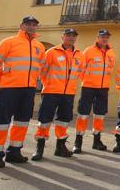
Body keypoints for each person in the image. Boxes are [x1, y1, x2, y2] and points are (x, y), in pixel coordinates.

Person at [0, 16, 46, 168]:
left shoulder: (39, 46)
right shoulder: (9, 42)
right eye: (28, 24)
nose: (31, 27)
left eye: (34, 25)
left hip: (29, 90)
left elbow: (42, 68)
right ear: (21, 26)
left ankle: (14, 152)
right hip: (9, 89)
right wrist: (2, 81)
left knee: (22, 122)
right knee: (1, 122)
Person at [32, 28, 85, 161]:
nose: (71, 38)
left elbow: (80, 72)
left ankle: (60, 147)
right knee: (45, 120)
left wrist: (71, 86)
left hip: (68, 93)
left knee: (64, 121)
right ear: (63, 37)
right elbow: (42, 71)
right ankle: (40, 148)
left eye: (73, 36)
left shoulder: (79, 55)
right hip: (51, 92)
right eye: (68, 35)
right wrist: (48, 84)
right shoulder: (51, 52)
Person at [73, 29, 116, 153]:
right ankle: (78, 141)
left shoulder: (111, 52)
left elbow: (110, 69)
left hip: (103, 88)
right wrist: (87, 81)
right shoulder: (88, 51)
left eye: (107, 37)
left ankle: (97, 141)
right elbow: (81, 68)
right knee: (83, 114)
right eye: (102, 37)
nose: (105, 39)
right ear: (97, 37)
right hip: (88, 87)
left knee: (100, 115)